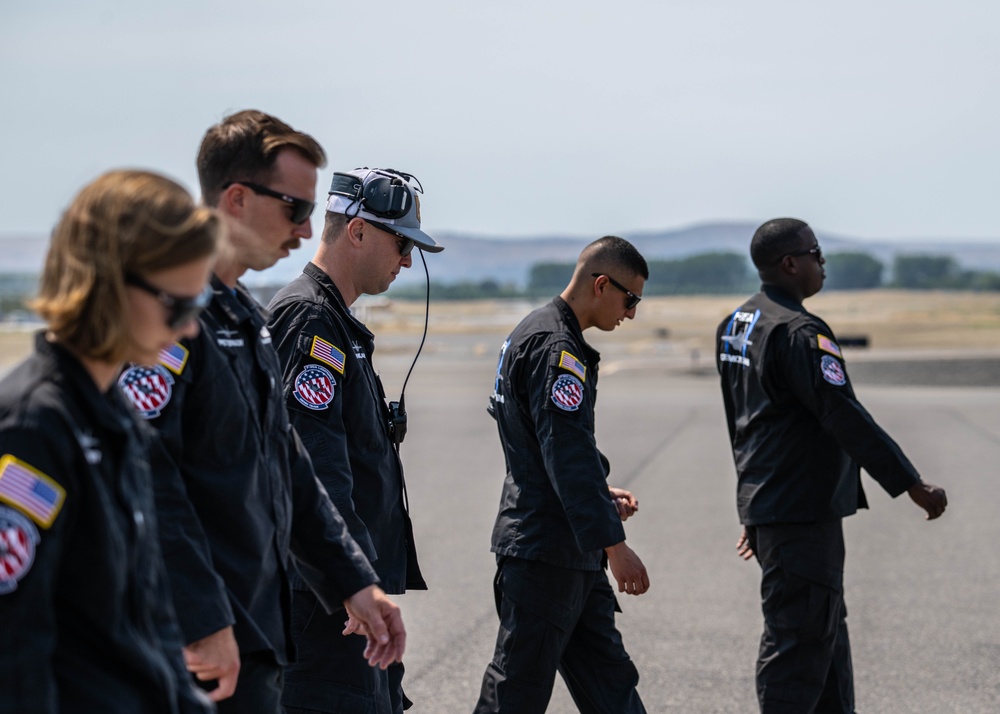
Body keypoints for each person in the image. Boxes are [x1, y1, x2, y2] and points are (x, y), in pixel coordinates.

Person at [123, 110, 405, 714]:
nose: (306, 233)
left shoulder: (243, 319)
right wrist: (202, 620)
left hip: (255, 622)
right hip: (201, 634)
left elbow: (290, 465)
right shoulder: (165, 319)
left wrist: (352, 579)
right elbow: (149, 481)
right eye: (296, 209)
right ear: (236, 199)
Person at [0, 170, 220, 713]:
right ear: (107, 282)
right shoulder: (33, 431)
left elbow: (143, 613)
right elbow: (13, 658)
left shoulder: (114, 414)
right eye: (179, 306)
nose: (191, 330)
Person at [715, 217, 948, 714]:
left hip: (775, 505)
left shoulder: (737, 324)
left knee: (824, 642)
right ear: (790, 263)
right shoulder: (800, 332)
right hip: (800, 512)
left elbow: (742, 425)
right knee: (798, 645)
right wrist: (911, 483)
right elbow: (842, 414)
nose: (823, 263)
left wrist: (752, 506)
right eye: (816, 253)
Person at [267, 167, 442, 713]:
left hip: (342, 595)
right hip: (326, 607)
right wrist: (354, 581)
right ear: (358, 232)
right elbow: (317, 468)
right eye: (401, 243)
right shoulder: (311, 320)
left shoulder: (334, 323)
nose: (407, 260)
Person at [474, 236, 651, 714]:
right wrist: (616, 546)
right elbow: (564, 453)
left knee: (611, 685)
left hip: (567, 546)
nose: (631, 313)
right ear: (601, 284)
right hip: (545, 553)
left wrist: (598, 492)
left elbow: (542, 447)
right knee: (515, 695)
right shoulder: (558, 349)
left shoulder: (533, 331)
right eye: (630, 299)